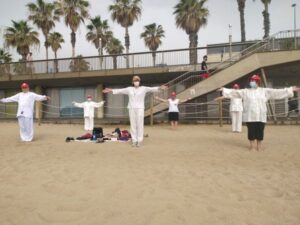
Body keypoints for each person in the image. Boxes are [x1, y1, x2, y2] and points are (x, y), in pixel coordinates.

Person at [219, 74, 299, 151]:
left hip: (261, 115)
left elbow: (277, 92)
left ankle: (259, 146)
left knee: (260, 130)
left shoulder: (264, 91)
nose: (252, 82)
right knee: (251, 131)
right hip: (250, 116)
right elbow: (235, 92)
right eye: (251, 81)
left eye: (254, 81)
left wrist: (290, 89)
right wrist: (224, 90)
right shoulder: (245, 91)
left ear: (258, 82)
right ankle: (251, 146)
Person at [103, 75, 168, 147]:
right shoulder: (129, 89)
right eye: (135, 80)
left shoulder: (144, 88)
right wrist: (111, 90)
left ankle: (139, 141)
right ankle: (134, 140)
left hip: (140, 108)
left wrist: (159, 88)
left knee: (140, 124)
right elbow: (120, 90)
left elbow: (152, 89)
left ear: (139, 81)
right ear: (132, 82)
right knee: (133, 125)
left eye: (138, 80)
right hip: (131, 108)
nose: (136, 81)